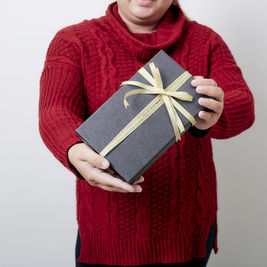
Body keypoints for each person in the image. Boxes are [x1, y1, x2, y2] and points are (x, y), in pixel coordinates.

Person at [38, 0, 255, 266]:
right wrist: (73, 149)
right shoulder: (73, 41)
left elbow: (242, 104)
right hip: (105, 237)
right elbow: (55, 110)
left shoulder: (205, 41)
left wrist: (215, 112)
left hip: (187, 236)